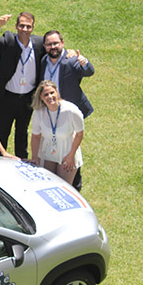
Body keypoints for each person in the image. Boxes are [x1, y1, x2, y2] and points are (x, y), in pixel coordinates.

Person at [40, 30, 95, 190]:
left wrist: (84, 62)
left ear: (62, 43)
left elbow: (89, 71)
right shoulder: (44, 60)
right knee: (55, 141)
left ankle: (75, 184)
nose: (53, 47)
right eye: (49, 44)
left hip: (69, 112)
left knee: (71, 147)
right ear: (44, 46)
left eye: (56, 43)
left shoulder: (71, 60)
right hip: (51, 110)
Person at [0, 12, 45, 159]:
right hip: (7, 96)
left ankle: (22, 160)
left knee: (22, 131)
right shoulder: (9, 40)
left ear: (33, 27)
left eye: (28, 26)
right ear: (16, 26)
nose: (24, 29)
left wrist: (69, 53)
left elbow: (54, 50)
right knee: (3, 131)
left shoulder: (39, 44)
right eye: (21, 26)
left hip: (27, 97)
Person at [29, 80, 84, 186]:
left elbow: (79, 134)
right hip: (47, 152)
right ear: (41, 97)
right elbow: (36, 136)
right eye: (46, 94)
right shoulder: (38, 112)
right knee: (46, 185)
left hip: (67, 152)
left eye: (52, 93)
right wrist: (35, 157)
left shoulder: (71, 110)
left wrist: (71, 155)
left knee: (63, 188)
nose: (50, 96)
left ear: (57, 93)